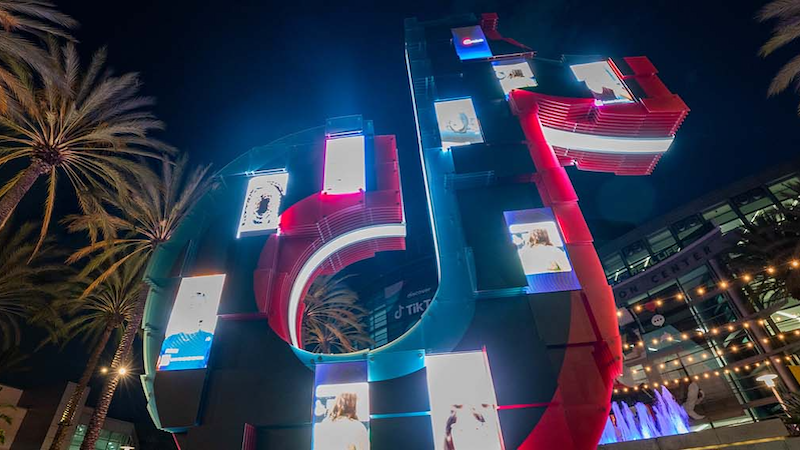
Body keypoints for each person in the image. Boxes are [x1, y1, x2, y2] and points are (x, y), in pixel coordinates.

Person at [157, 291, 215, 371]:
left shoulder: (209, 339)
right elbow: (157, 367)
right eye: (191, 305)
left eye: (198, 306)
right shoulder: (170, 340)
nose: (193, 309)